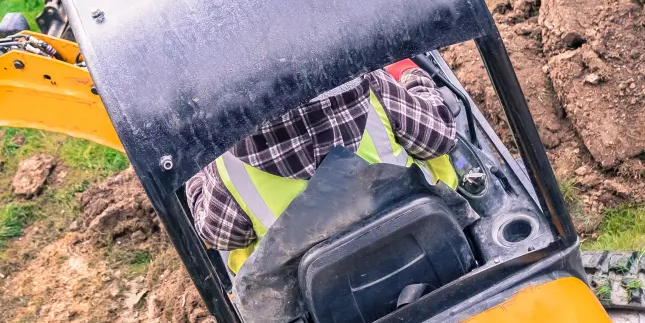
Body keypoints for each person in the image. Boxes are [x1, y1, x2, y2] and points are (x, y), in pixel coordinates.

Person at [186, 60, 458, 273]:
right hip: (426, 239)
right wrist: (413, 78)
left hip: (324, 295)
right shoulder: (371, 88)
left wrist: (197, 170)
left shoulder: (226, 167)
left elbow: (219, 235)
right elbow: (439, 136)